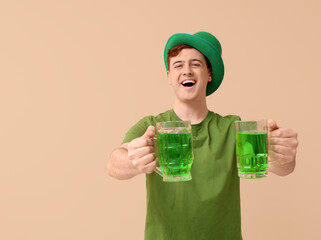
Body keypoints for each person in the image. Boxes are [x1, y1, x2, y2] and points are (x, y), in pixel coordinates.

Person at [107, 31, 298, 240]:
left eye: (196, 64)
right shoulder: (151, 126)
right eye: (178, 65)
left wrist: (282, 154)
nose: (187, 71)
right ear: (169, 76)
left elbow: (280, 166)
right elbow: (114, 164)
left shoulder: (231, 128)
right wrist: (133, 161)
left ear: (209, 74)